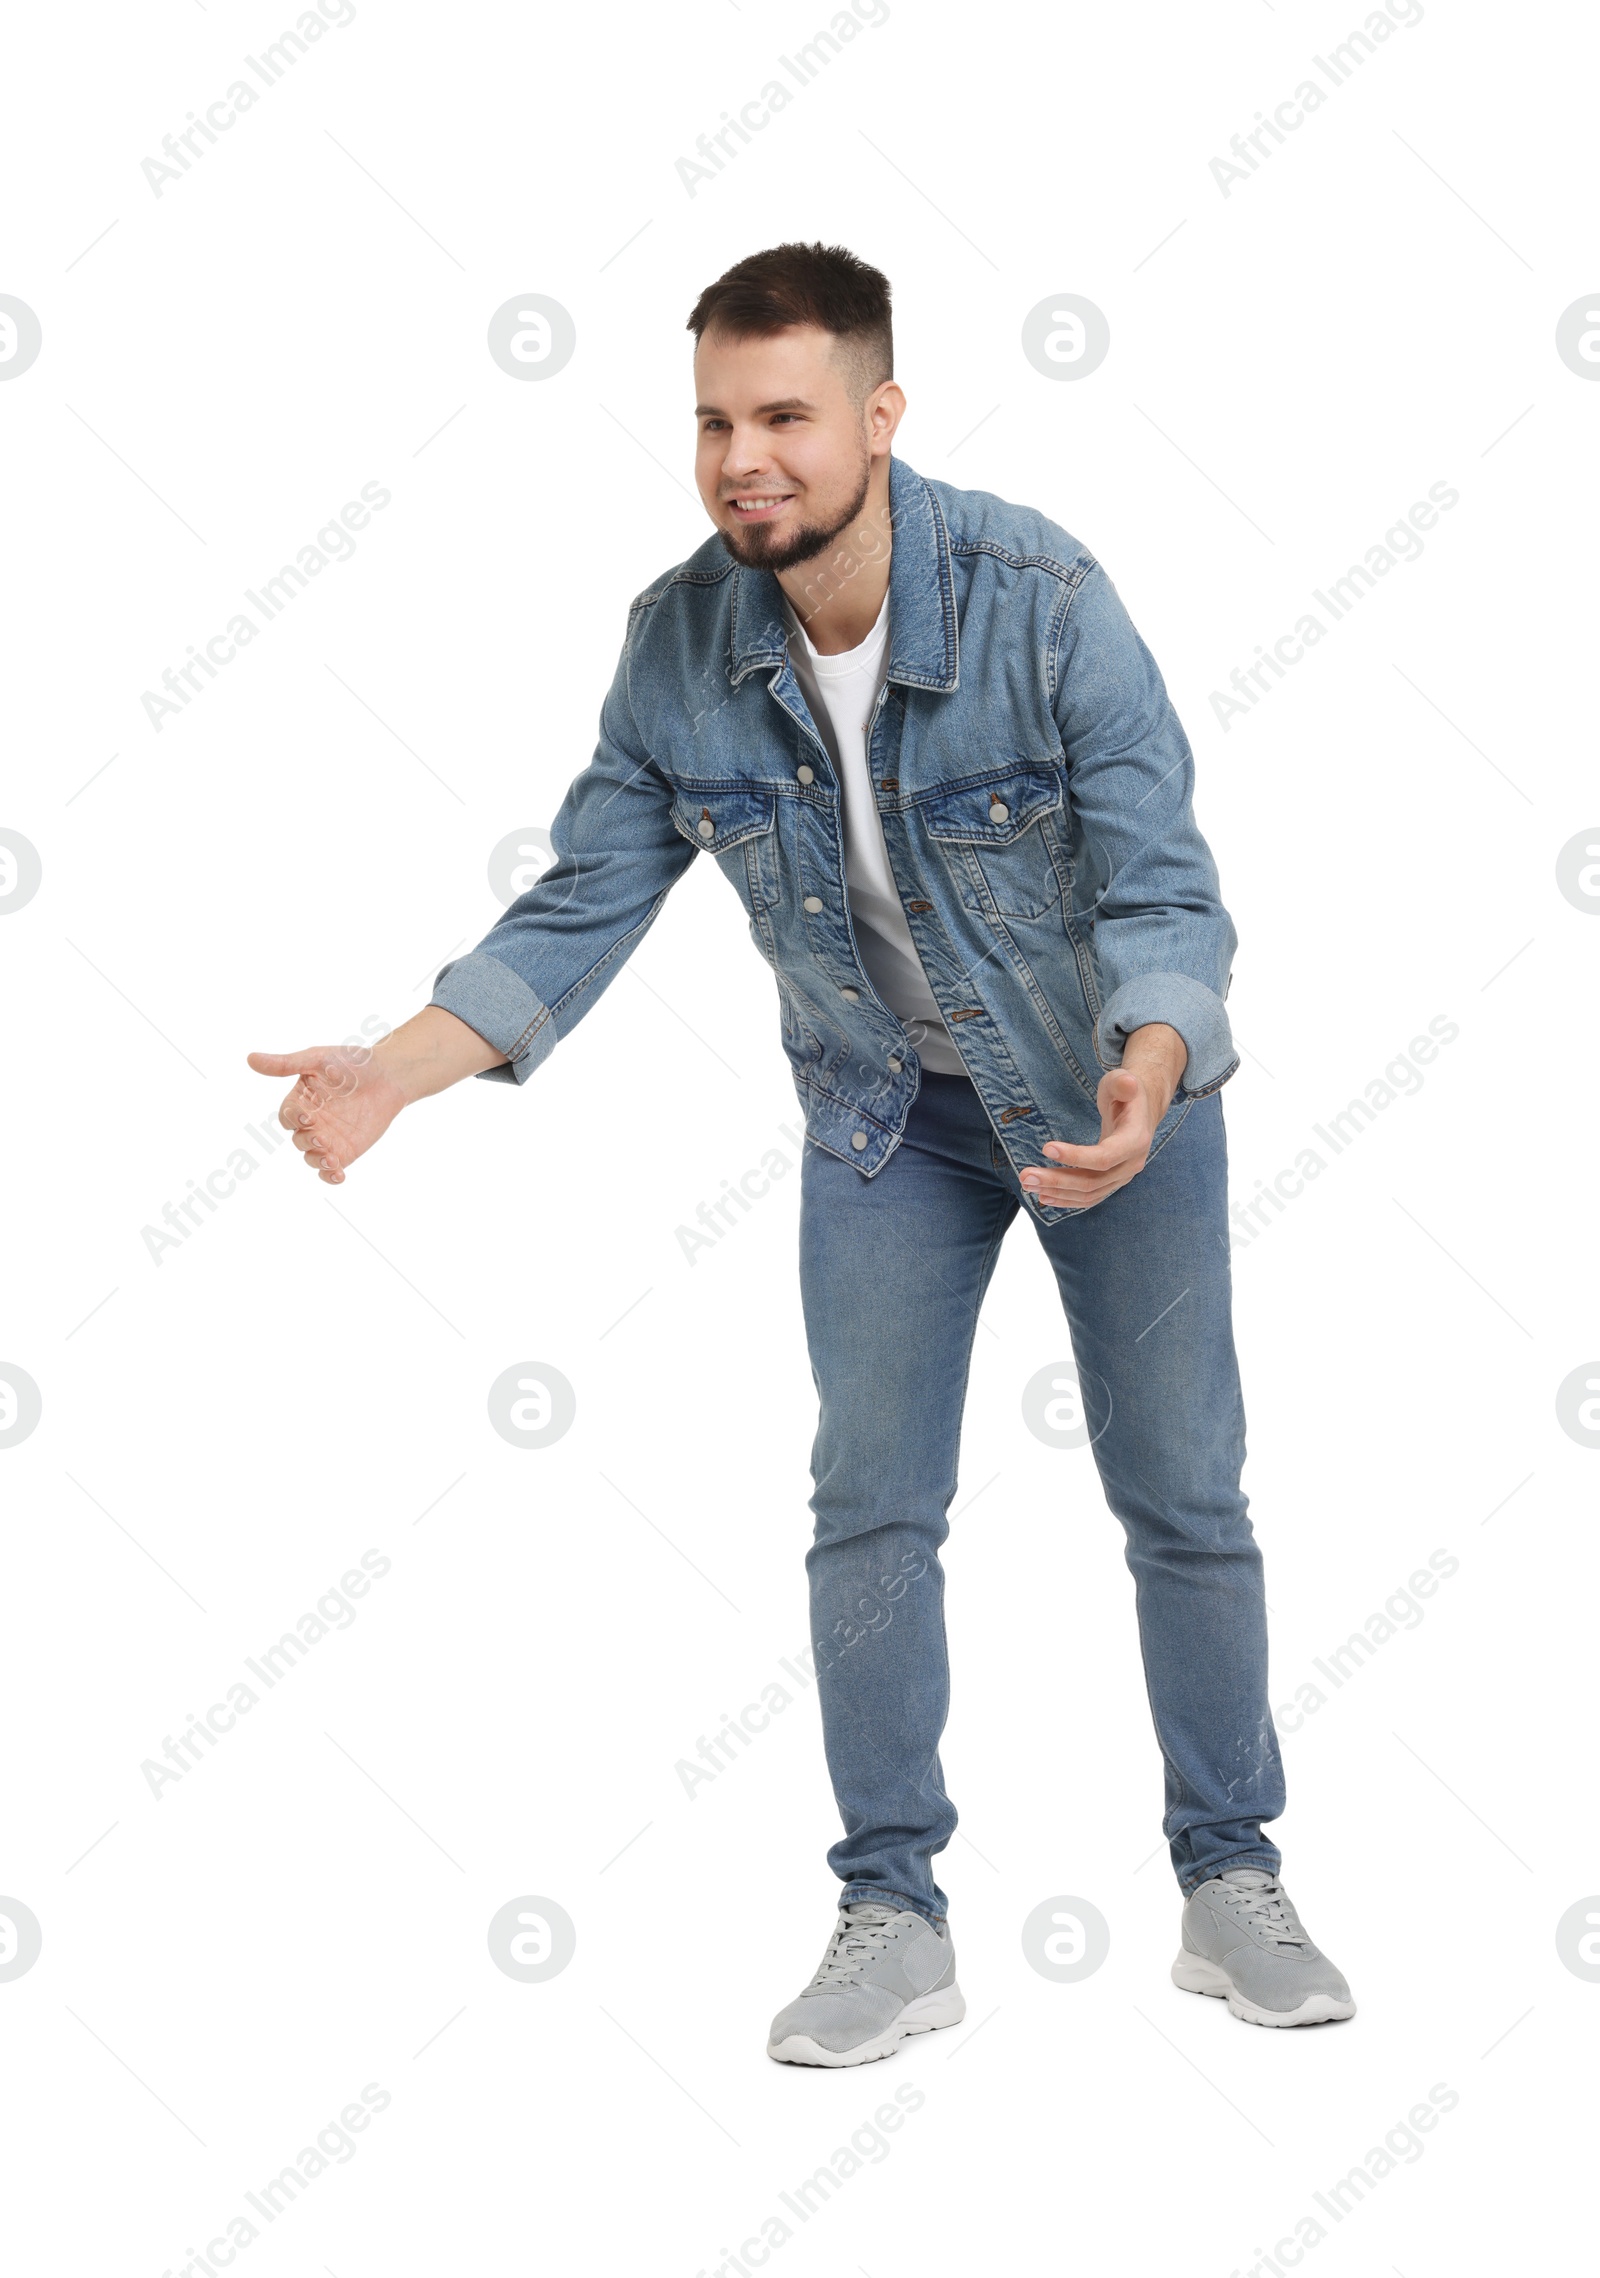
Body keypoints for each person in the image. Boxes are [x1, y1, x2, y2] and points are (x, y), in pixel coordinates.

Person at [250, 240, 1354, 2062]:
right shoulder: (680, 641)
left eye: (783, 415)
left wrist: (1154, 1069)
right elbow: (578, 905)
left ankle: (1231, 1878)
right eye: (710, 420)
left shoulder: (1042, 594)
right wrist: (397, 1067)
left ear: (881, 415)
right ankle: (891, 1913)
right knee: (868, 1507)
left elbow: (1165, 881)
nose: (741, 455)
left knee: (1183, 1493)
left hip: (1109, 1093)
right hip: (885, 1118)